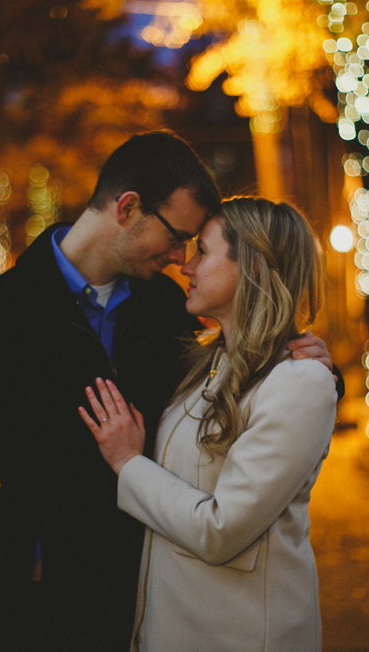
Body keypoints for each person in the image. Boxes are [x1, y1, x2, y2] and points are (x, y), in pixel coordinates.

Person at [0, 132, 335, 651]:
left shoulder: (164, 309)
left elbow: (238, 382)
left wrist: (307, 364)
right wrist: (25, 549)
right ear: (129, 208)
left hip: (149, 607)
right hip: (43, 616)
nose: (182, 257)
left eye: (195, 244)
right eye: (179, 236)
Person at [80, 197, 338, 651]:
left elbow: (220, 532)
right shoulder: (204, 366)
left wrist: (128, 462)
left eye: (203, 250)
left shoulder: (299, 382)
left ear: (253, 267)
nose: (186, 266)